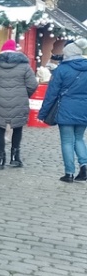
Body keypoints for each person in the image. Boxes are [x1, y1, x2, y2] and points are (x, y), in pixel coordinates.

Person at [0, 39, 38, 170]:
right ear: (15, 51)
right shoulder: (24, 66)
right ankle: (15, 158)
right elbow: (33, 84)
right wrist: (24, 94)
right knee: (17, 128)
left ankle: (0, 160)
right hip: (19, 100)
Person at [38, 40, 87, 182]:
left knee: (67, 141)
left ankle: (69, 173)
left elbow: (51, 93)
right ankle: (84, 166)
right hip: (84, 109)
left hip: (66, 108)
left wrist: (43, 113)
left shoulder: (62, 69)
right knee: (79, 138)